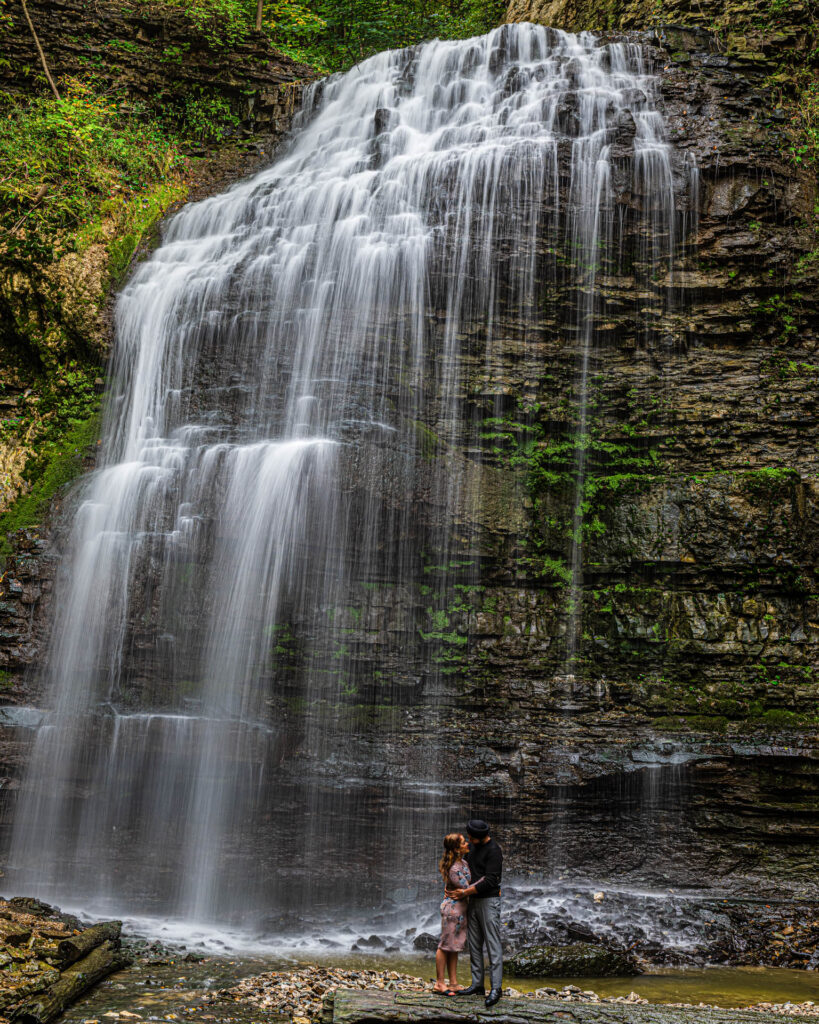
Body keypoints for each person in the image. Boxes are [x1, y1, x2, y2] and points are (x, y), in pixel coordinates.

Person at [446, 817, 503, 1008]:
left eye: (471, 837)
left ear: (480, 837)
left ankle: (496, 988)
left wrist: (465, 892)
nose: (468, 840)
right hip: (472, 901)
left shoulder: (494, 851)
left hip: (488, 901)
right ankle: (478, 984)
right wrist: (450, 886)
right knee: (474, 943)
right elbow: (460, 868)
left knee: (492, 944)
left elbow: (491, 880)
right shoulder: (472, 847)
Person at [434, 833, 472, 994]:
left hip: (460, 910)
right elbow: (466, 887)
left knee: (454, 946)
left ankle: (454, 983)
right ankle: (440, 983)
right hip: (452, 911)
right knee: (444, 946)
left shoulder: (463, 862)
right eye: (464, 842)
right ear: (456, 849)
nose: (467, 843)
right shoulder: (454, 868)